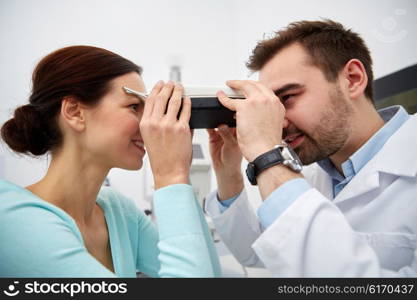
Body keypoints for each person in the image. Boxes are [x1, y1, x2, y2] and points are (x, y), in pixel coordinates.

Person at [204, 19, 417, 277]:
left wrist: (267, 157)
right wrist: (229, 174)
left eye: (287, 98)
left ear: (352, 79)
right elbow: (255, 254)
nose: (277, 122)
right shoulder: (317, 173)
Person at [0, 45, 220, 277]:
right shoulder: (15, 220)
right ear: (74, 111)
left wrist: (208, 175)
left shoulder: (117, 211)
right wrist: (170, 177)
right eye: (134, 106)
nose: (148, 125)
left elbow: (210, 278)